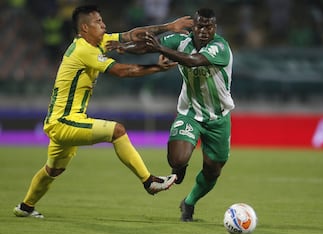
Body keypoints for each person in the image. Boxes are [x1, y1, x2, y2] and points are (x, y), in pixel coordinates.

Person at [13, 4, 193, 219]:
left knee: (53, 170)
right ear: (84, 28)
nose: (104, 25)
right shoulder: (84, 50)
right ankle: (149, 181)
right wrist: (156, 68)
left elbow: (131, 35)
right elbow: (121, 71)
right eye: (98, 22)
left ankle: (25, 207)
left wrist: (170, 26)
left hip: (61, 121)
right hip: (64, 121)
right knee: (117, 130)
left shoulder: (96, 43)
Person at [144, 8, 234, 221]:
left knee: (213, 170)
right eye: (200, 26)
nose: (204, 31)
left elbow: (193, 61)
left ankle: (189, 202)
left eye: (208, 27)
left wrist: (163, 50)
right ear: (193, 26)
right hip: (190, 113)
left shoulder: (220, 47)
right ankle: (179, 167)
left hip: (218, 118)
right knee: (178, 159)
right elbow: (149, 44)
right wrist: (121, 46)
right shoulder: (181, 40)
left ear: (215, 28)